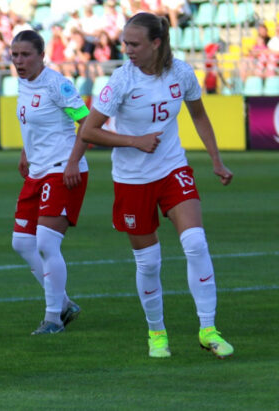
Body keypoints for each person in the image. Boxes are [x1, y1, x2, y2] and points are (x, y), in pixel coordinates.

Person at [80, 13, 234, 359]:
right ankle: (157, 333)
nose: (127, 49)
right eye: (125, 43)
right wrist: (134, 141)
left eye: (134, 44)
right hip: (132, 180)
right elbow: (89, 131)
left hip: (172, 169)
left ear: (156, 43)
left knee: (195, 243)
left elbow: (198, 115)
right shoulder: (121, 80)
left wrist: (216, 160)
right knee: (148, 263)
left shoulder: (181, 72)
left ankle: (208, 329)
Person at [9, 30, 89, 335]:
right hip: (38, 170)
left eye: (25, 55)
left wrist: (73, 162)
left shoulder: (57, 85)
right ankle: (64, 303)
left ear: (42, 56)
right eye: (15, 55)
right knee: (21, 242)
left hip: (63, 169)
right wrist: (25, 152)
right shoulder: (23, 83)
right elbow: (33, 123)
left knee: (45, 242)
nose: (19, 61)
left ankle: (54, 319)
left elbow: (87, 123)